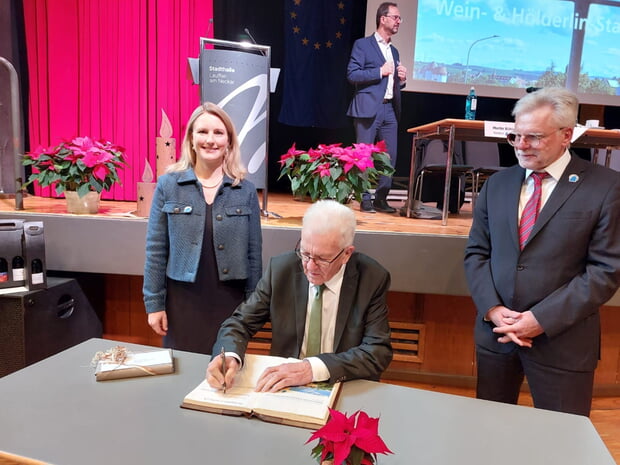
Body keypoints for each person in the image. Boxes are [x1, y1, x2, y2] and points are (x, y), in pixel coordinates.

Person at [464, 87, 620, 416]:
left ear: (566, 135)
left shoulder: (606, 187)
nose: (521, 146)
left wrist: (540, 319)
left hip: (562, 343)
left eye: (533, 137)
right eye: (515, 136)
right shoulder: (497, 184)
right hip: (498, 337)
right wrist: (492, 308)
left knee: (562, 446)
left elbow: (605, 271)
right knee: (489, 435)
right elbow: (477, 253)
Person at [206, 200, 393, 392]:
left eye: (322, 259)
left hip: (343, 385)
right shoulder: (281, 270)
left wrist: (312, 368)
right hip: (284, 388)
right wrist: (229, 354)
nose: (310, 267)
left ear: (346, 254)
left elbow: (377, 352)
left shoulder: (371, 278)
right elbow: (239, 323)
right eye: (305, 253)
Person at [143, 102, 263, 355]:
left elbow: (254, 255)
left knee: (226, 372)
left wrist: (253, 307)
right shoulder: (168, 185)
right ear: (191, 139)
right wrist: (154, 304)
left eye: (218, 133)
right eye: (203, 132)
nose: (210, 140)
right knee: (183, 371)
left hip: (230, 302)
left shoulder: (246, 190)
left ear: (229, 141)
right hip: (182, 301)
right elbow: (156, 250)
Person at [346, 2, 407, 214]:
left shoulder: (395, 51)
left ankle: (381, 199)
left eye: (400, 18)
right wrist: (379, 71)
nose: (399, 21)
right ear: (383, 19)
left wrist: (402, 80)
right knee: (363, 157)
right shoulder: (363, 45)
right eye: (396, 17)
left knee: (390, 158)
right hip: (367, 108)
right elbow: (352, 75)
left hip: (389, 109)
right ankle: (365, 199)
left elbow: (391, 84)